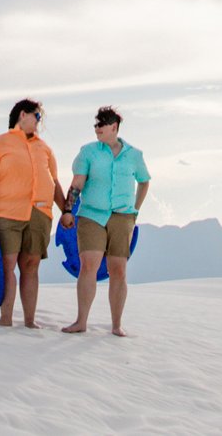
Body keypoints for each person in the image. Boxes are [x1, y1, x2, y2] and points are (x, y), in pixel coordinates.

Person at [60, 104, 150, 337]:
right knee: (88, 265)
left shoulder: (135, 155)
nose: (96, 128)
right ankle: (81, 321)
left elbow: (144, 181)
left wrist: (134, 211)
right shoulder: (88, 152)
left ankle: (116, 325)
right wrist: (67, 210)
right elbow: (77, 183)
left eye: (101, 124)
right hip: (91, 215)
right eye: (95, 124)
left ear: (114, 127)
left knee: (118, 270)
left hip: (122, 217)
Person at [0, 97, 64, 329]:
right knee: (7, 264)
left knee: (31, 266)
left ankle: (29, 321)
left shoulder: (45, 148)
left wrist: (65, 210)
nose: (39, 122)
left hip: (39, 215)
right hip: (7, 213)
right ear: (22, 115)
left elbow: (54, 182)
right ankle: (5, 318)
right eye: (37, 116)